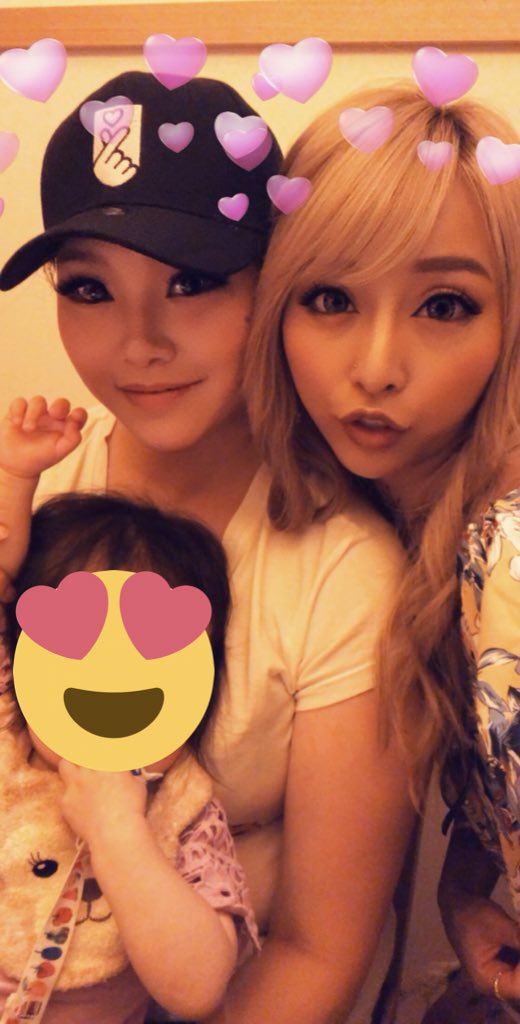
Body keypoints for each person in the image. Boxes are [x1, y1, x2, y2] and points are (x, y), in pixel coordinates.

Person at [0, 69, 412, 1023]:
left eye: (190, 283)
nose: (139, 343)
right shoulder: (33, 503)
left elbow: (318, 948)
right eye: (90, 289)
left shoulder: (344, 573)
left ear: (275, 284)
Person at [243, 79, 520, 1018]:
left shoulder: (508, 550)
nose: (375, 367)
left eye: (444, 305)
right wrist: (465, 883)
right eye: (330, 298)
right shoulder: (401, 528)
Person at [0, 405, 258, 1023]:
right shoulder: (9, 731)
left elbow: (198, 988)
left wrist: (120, 834)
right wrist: (12, 481)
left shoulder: (187, 812)